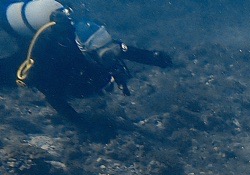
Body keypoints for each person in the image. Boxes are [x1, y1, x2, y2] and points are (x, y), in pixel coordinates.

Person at [0, 0, 172, 122]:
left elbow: (124, 50)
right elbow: (51, 93)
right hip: (33, 56)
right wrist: (79, 121)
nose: (111, 56)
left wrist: (155, 58)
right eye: (107, 56)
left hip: (40, 32)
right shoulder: (61, 59)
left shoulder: (98, 48)